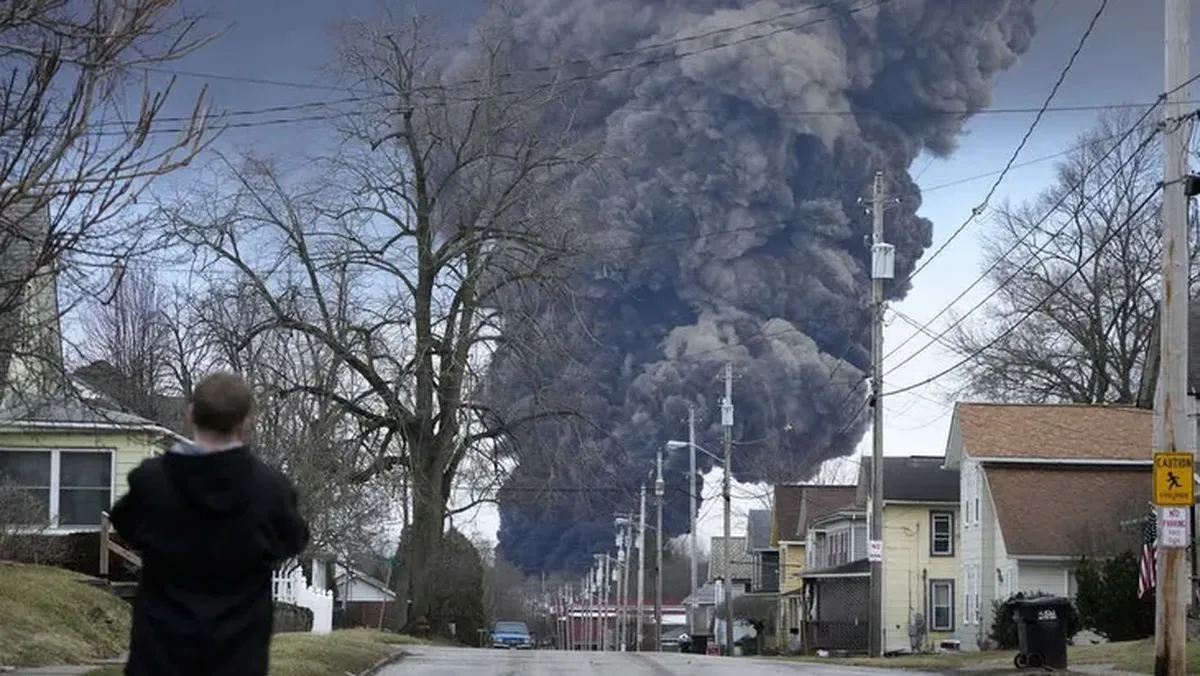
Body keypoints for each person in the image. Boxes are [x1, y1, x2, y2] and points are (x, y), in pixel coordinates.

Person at [109, 371, 310, 676]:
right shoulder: (271, 491)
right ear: (244, 423)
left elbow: (125, 524)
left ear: (191, 414)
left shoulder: (151, 483)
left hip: (160, 657)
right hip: (238, 660)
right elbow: (294, 539)